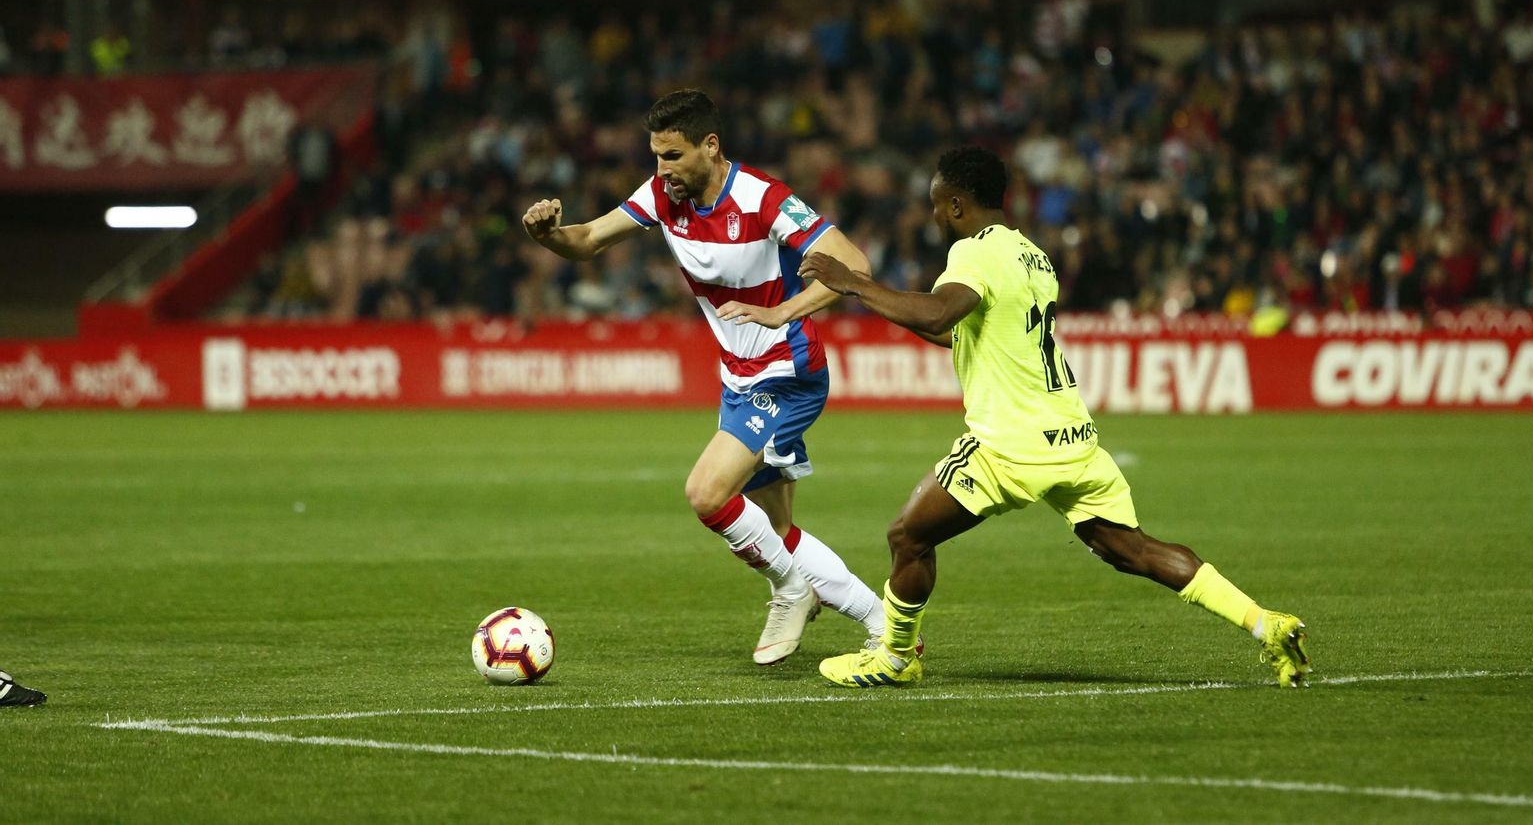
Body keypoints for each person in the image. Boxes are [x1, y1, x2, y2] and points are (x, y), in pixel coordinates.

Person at [799, 146, 1310, 688]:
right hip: (1072, 437)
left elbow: (939, 309)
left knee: (908, 536)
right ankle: (1265, 624)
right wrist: (883, 303)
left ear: (954, 205)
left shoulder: (973, 253)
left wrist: (854, 283)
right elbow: (954, 330)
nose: (931, 216)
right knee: (1132, 548)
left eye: (934, 205)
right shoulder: (1031, 255)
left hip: (1011, 446)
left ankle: (894, 657)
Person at [521, 89, 886, 664]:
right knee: (779, 532)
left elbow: (856, 266)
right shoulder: (664, 198)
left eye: (671, 155)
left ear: (710, 147)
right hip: (738, 377)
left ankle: (791, 590)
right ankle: (887, 626)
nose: (661, 169)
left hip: (787, 372)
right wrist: (547, 236)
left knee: (707, 492)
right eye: (655, 156)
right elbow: (588, 239)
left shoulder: (765, 199)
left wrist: (782, 311)